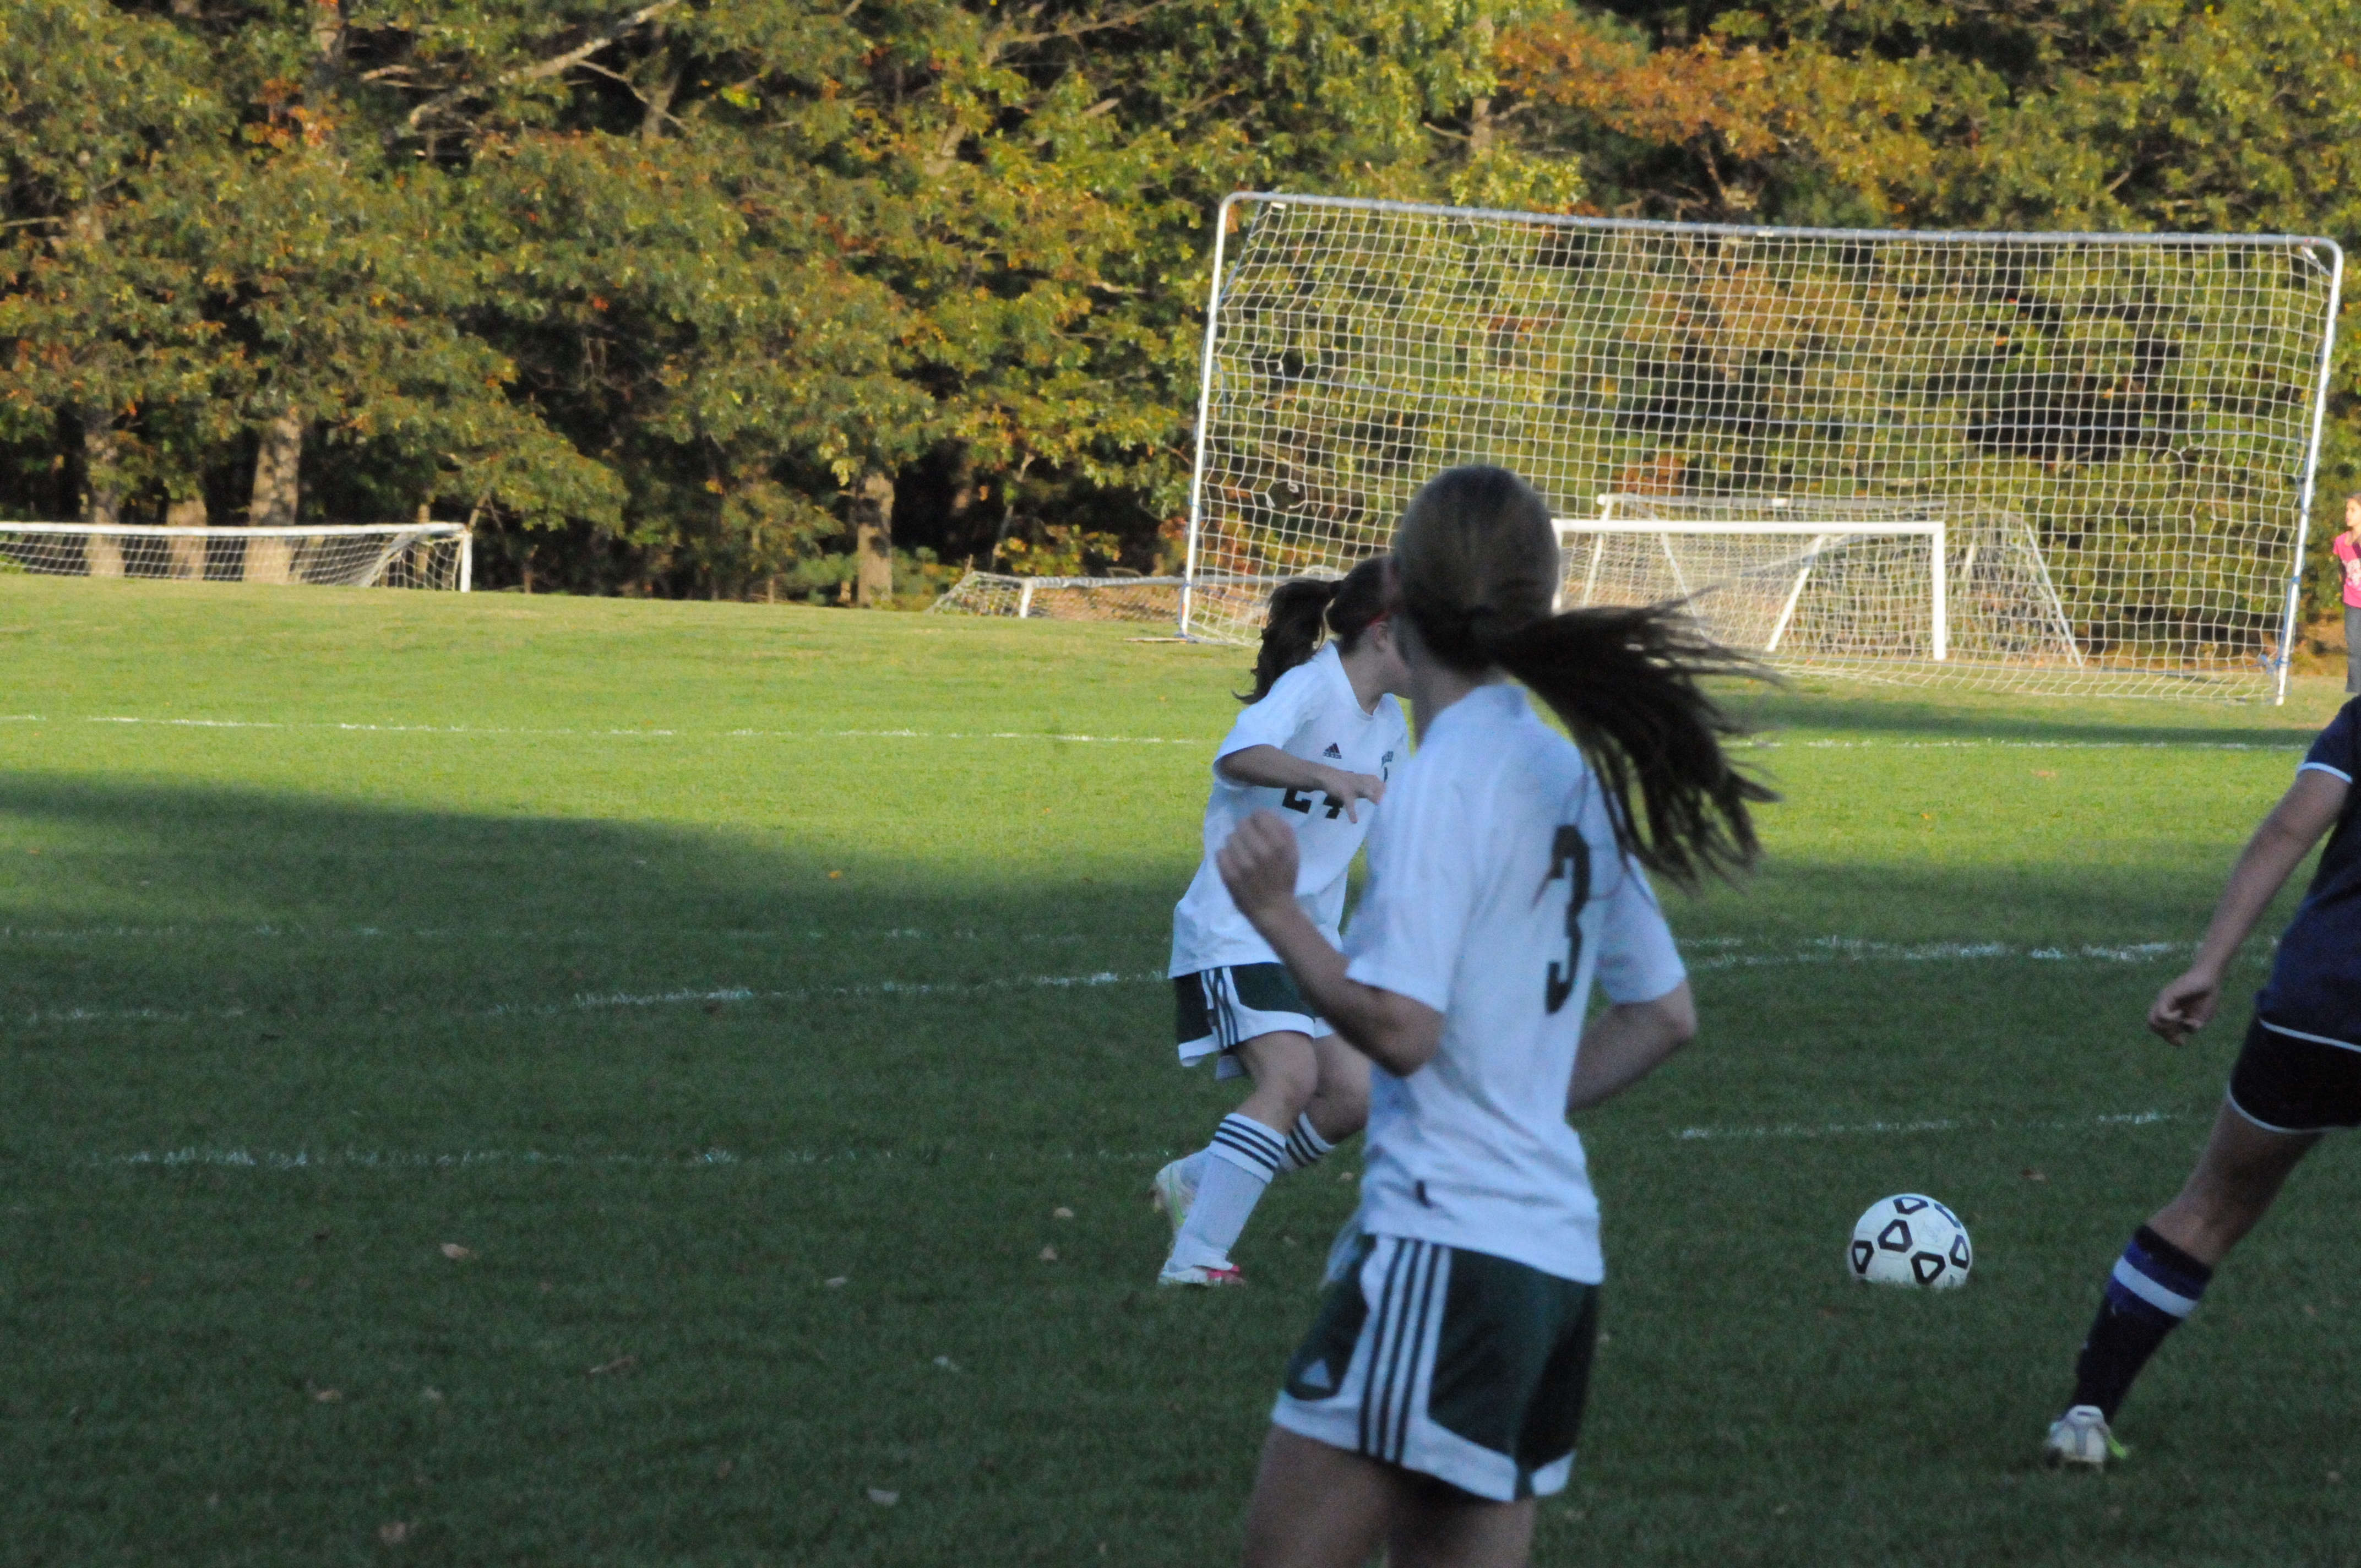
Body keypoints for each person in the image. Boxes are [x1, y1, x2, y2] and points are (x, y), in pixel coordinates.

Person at [1214, 466, 1771, 1567]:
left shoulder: (1442, 780)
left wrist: (1277, 916)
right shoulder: (1562, 771)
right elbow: (1661, 1013)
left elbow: (1401, 1027)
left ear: (1396, 598)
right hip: (1552, 1263)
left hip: (1447, 1249)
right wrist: (1516, 1102)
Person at [2043, 693, 2359, 1468]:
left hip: (2318, 1007)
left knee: (2213, 1205)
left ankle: (2087, 1414)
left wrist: (2209, 964)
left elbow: (2289, 829)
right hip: (2322, 1006)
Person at [1157, 556, 1412, 1288]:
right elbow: (1239, 755)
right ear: (1383, 633)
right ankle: (1196, 1256)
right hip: (1236, 924)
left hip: (1308, 939)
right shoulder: (1311, 686)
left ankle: (1199, 1179)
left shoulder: (1390, 722)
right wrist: (1322, 772)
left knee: (1355, 1094)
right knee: (1291, 1077)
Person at [2335, 494, 2361, 696]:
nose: (2348, 514)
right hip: (2353, 600)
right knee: (2354, 646)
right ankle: (2355, 688)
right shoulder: (2341, 541)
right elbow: (2341, 568)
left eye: (2353, 510)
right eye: (2347, 510)